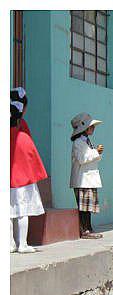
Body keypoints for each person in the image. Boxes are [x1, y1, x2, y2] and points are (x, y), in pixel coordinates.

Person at [10, 89, 47, 254]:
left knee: (7, 212)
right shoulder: (22, 129)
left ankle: (10, 244)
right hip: (23, 178)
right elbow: (30, 153)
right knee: (22, 211)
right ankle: (22, 244)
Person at [69, 112, 105, 239]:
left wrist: (96, 153)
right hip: (82, 180)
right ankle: (85, 230)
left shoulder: (86, 141)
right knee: (83, 207)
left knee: (88, 207)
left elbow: (92, 158)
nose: (93, 128)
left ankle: (88, 228)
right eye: (91, 126)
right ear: (84, 128)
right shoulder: (78, 143)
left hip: (88, 179)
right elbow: (83, 158)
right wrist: (96, 152)